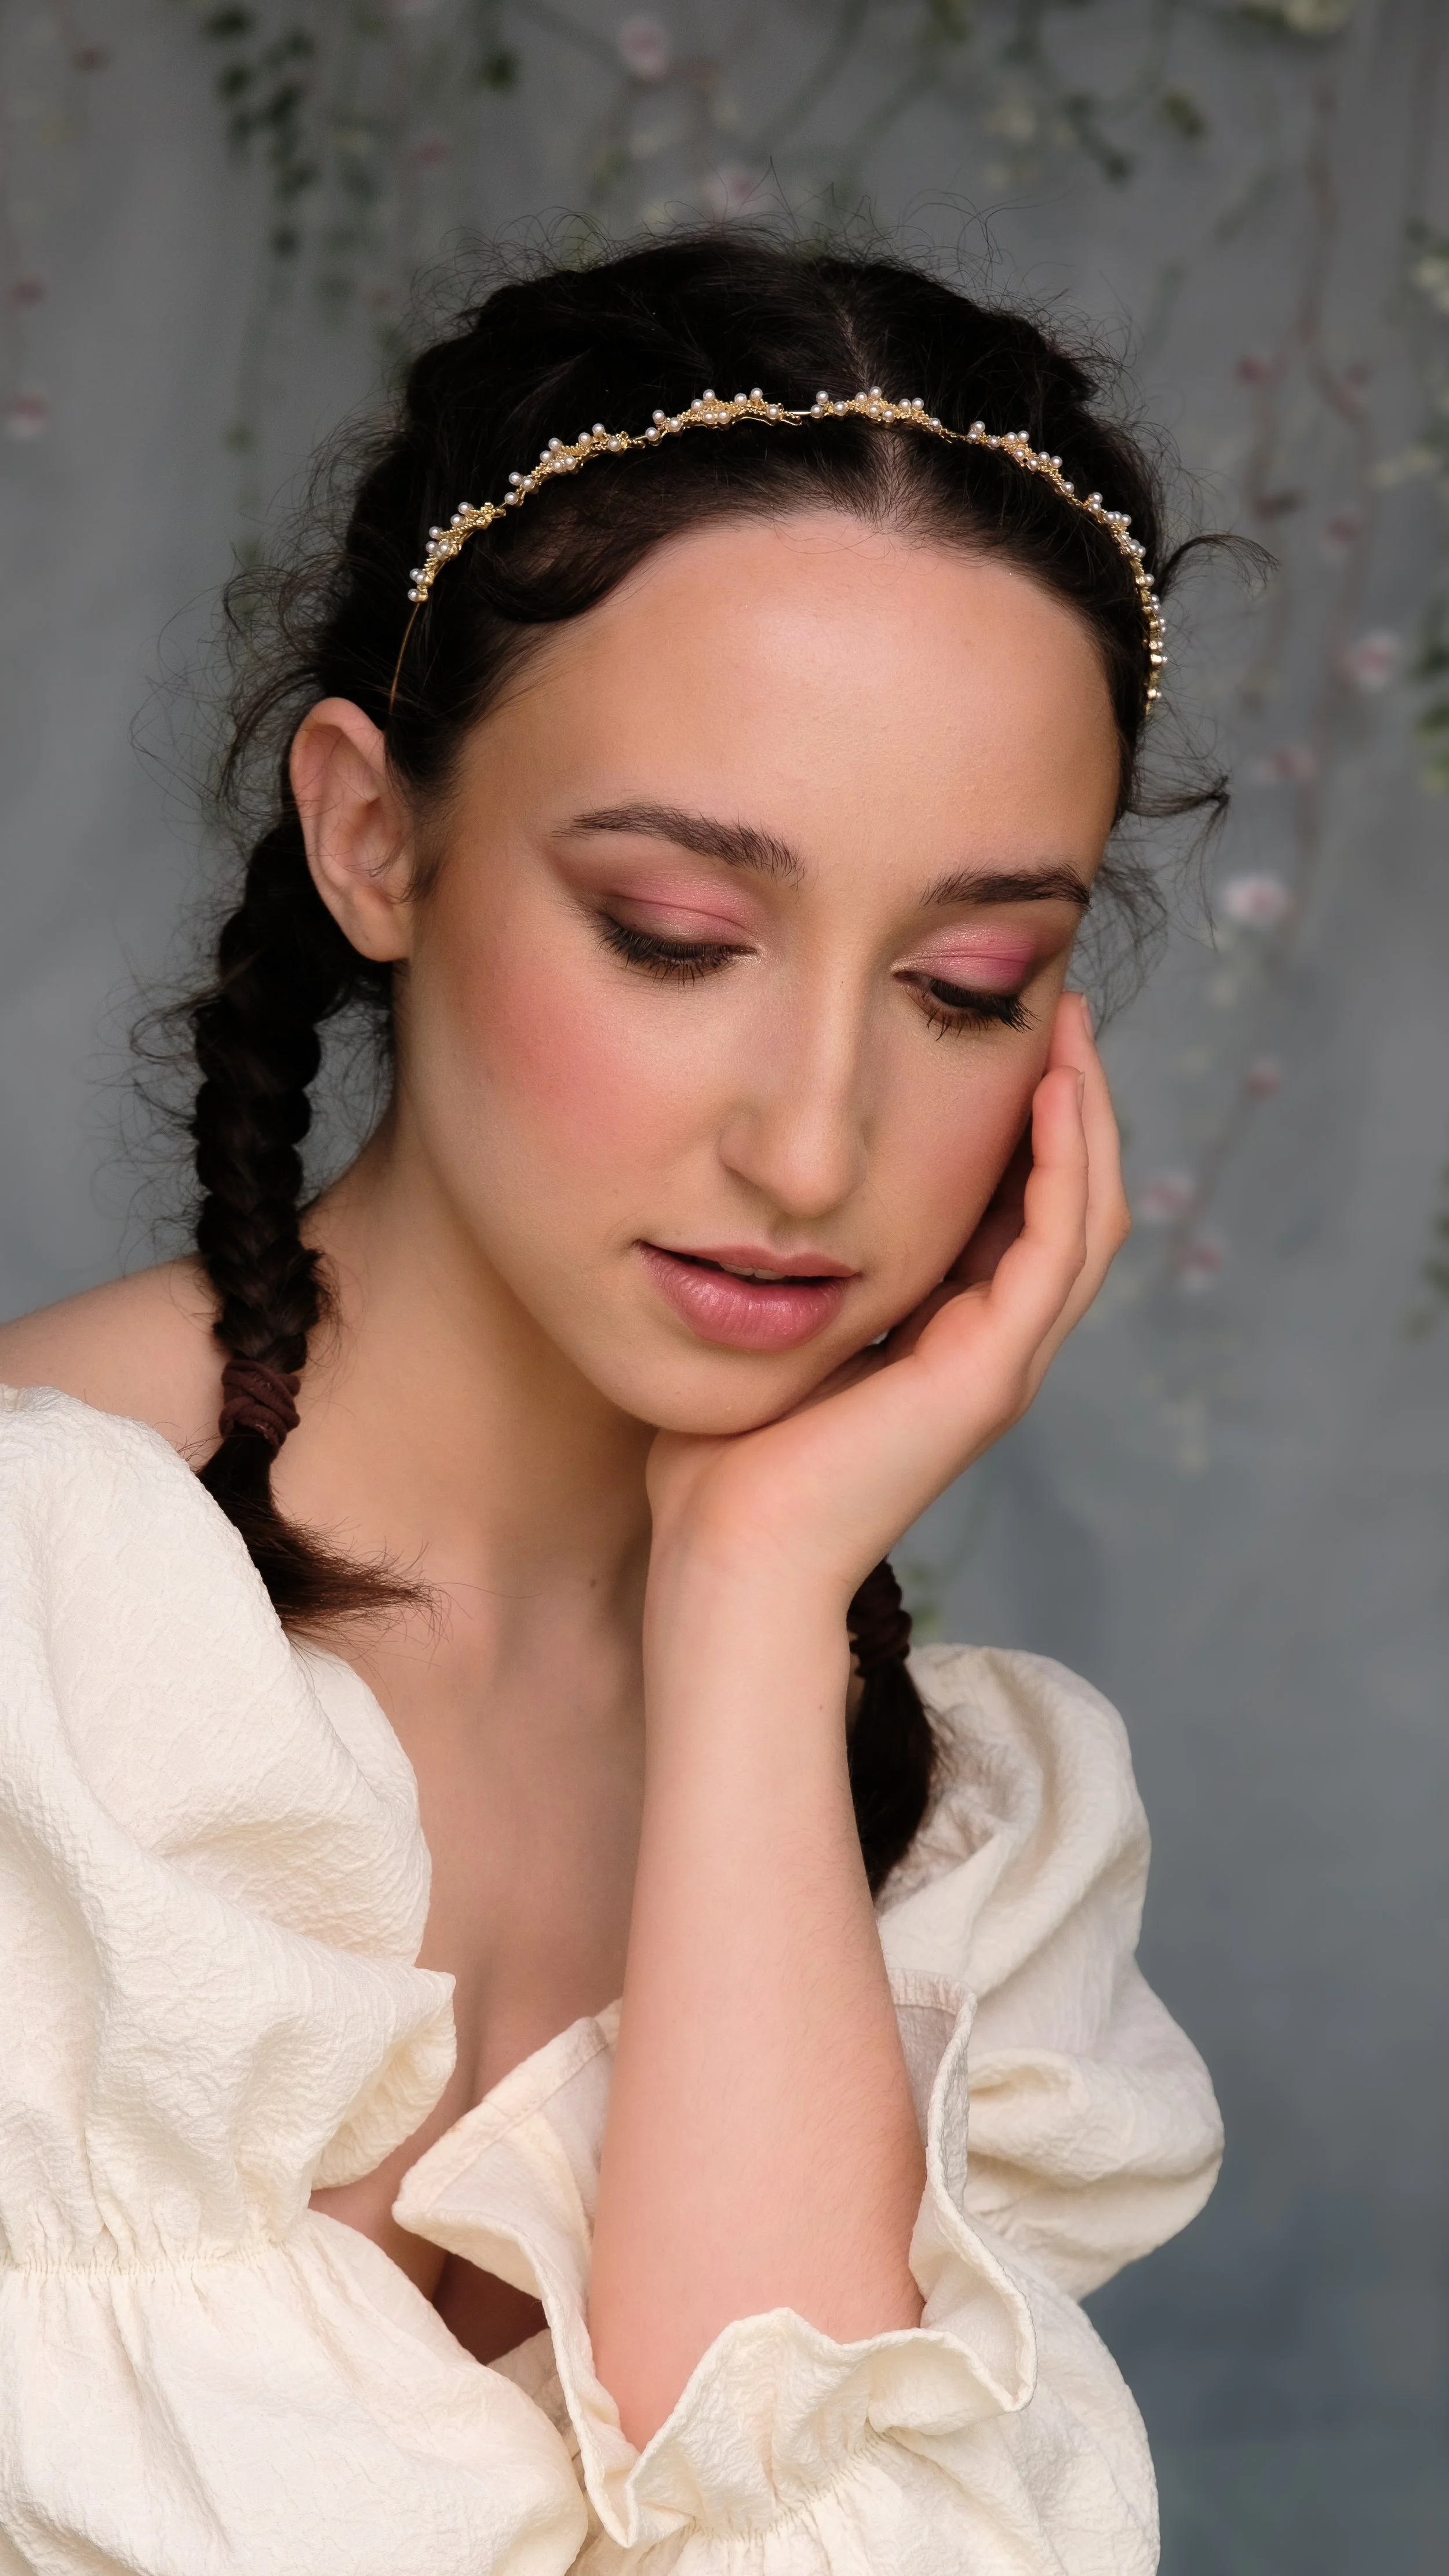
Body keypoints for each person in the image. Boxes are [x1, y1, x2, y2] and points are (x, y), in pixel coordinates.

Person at [0, 232, 1224, 2574]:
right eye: (676, 937)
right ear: (374, 834)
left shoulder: (935, 1826)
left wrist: (759, 1597)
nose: (810, 1142)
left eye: (968, 984)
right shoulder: (41, 1642)